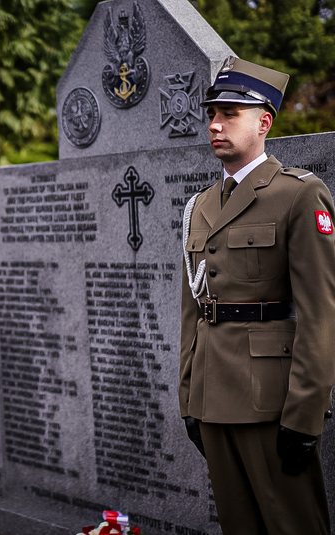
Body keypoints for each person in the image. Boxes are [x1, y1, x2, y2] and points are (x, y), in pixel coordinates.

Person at [179, 56, 335, 533]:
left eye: (230, 114)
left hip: (272, 401)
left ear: (264, 122)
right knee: (238, 525)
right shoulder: (201, 204)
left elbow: (321, 313)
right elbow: (195, 308)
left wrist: (305, 416)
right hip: (212, 398)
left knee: (292, 525)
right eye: (211, 114)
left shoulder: (298, 195)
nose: (215, 125)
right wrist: (188, 395)